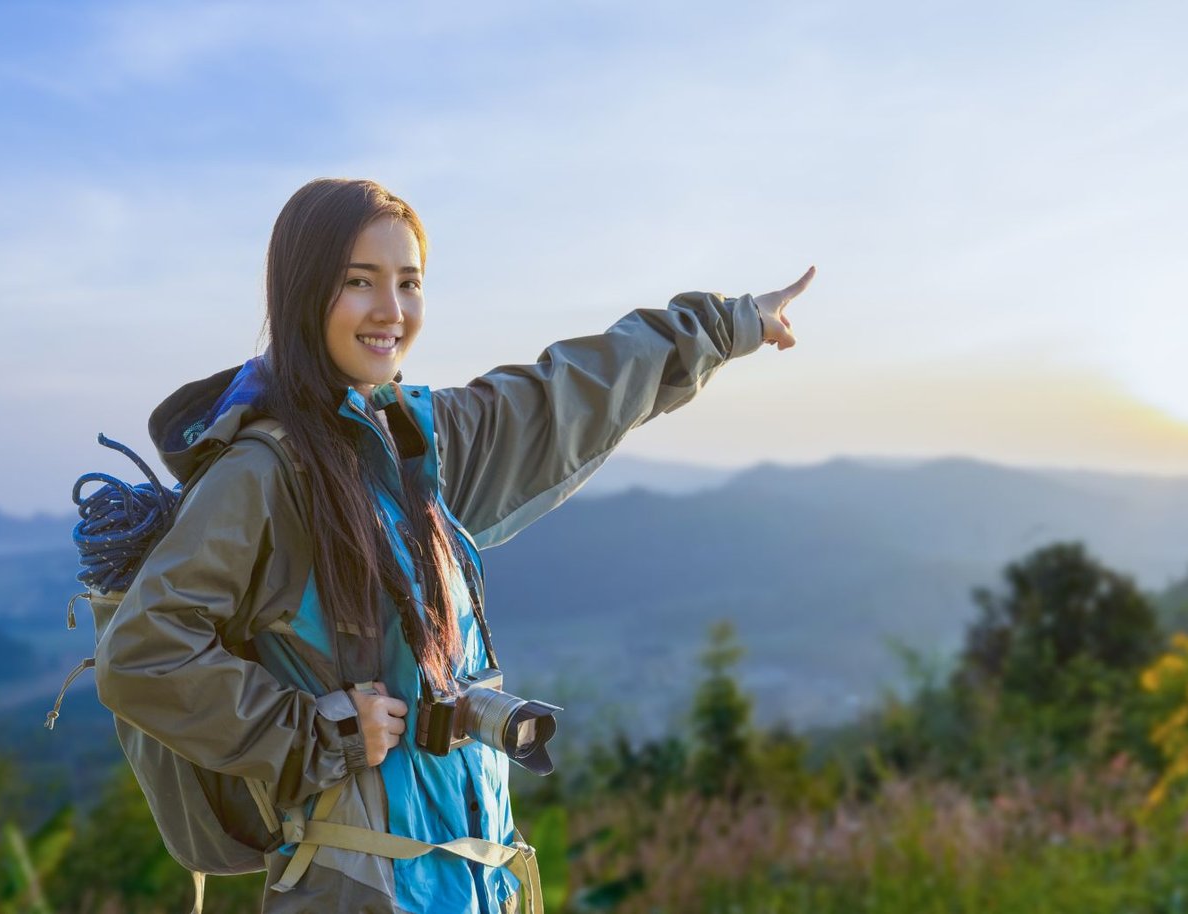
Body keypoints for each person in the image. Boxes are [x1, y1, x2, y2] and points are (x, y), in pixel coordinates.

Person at [94, 177, 814, 913]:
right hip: (357, 891)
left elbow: (561, 397)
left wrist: (727, 327)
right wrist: (315, 731)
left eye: (409, 283)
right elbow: (142, 652)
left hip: (475, 880)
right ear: (303, 293)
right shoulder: (262, 475)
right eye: (358, 282)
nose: (391, 310)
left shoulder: (414, 443)